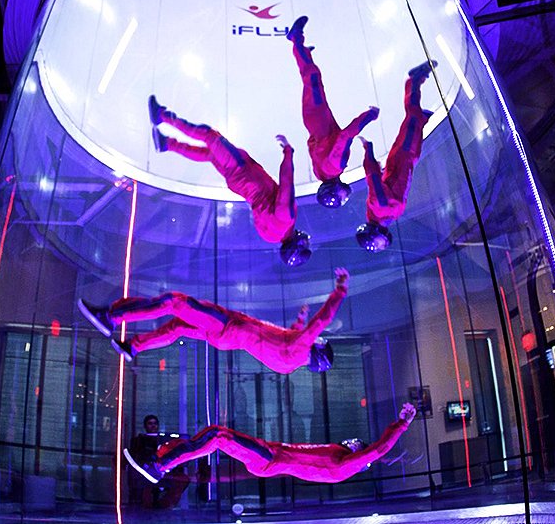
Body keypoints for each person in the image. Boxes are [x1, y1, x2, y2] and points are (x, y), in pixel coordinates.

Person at [78, 267, 349, 374]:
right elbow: (290, 336)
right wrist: (300, 319)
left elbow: (322, 319)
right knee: (177, 327)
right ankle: (133, 347)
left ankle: (111, 317)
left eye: (320, 342)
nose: (318, 338)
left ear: (317, 350)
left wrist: (340, 289)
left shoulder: (300, 348)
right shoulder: (291, 360)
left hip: (228, 326)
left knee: (176, 302)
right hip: (227, 339)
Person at [148, 96, 311, 267]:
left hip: (244, 172)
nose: (306, 240)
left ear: (297, 246)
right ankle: (166, 143)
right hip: (240, 185)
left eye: (304, 245)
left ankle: (161, 116)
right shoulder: (270, 237)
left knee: (210, 136)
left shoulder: (287, 219)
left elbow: (287, 182)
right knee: (210, 154)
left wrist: (288, 151)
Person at [123, 403, 417, 485]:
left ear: (358, 452)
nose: (352, 440)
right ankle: (162, 456)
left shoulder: (344, 465)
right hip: (269, 453)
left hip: (270, 460)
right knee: (215, 433)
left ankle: (160, 466)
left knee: (218, 437)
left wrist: (402, 422)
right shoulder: (339, 453)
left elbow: (377, 451)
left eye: (357, 442)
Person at [285, 16, 380, 209]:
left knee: (311, 77)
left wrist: (369, 116)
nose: (345, 196)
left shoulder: (335, 166)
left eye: (341, 198)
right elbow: (312, 144)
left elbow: (346, 135)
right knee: (311, 78)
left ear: (334, 191)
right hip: (315, 122)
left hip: (319, 119)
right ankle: (304, 54)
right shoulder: (321, 173)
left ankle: (296, 39)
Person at [356, 60, 437, 253]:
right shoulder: (384, 214)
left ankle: (414, 80)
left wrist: (368, 149)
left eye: (379, 244)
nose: (382, 244)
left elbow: (373, 178)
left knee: (413, 116)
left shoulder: (381, 208)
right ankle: (420, 115)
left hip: (403, 156)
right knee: (415, 120)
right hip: (407, 158)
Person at [127, 414, 190, 509]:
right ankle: (149, 506)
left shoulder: (166, 440)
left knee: (183, 479)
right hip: (147, 472)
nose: (153, 426)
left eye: (155, 424)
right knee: (146, 485)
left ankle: (165, 504)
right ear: (145, 426)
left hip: (164, 470)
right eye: (150, 424)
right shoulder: (138, 440)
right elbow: (137, 457)